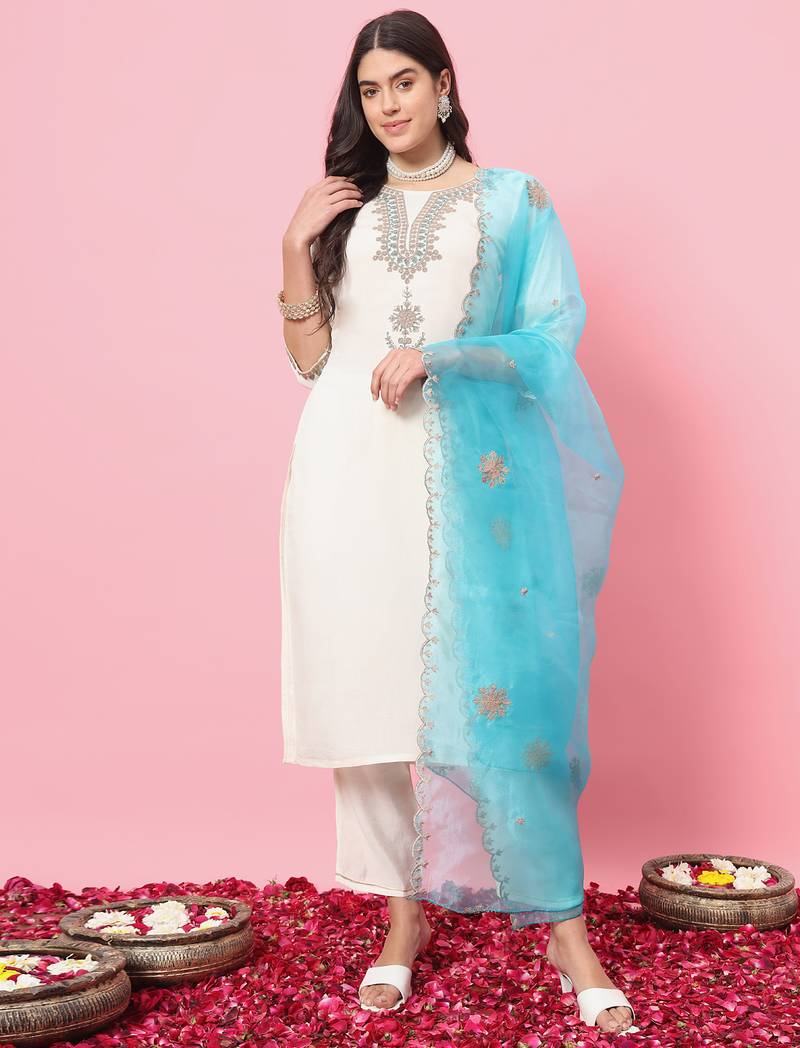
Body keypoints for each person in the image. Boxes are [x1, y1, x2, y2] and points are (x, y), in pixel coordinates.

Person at [277, 9, 635, 1036]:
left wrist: (444, 355)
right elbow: (311, 363)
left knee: (510, 695)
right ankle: (403, 921)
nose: (386, 105)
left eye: (403, 81)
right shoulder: (343, 208)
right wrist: (293, 247)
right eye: (369, 89)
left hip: (470, 483)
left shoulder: (512, 201)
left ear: (442, 84)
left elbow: (553, 333)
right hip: (346, 476)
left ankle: (565, 930)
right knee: (370, 700)